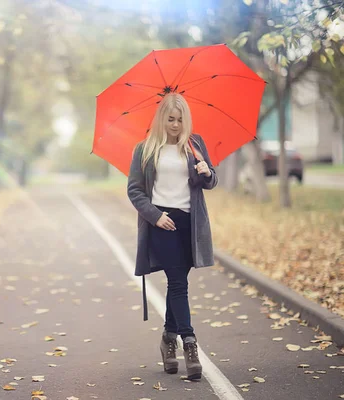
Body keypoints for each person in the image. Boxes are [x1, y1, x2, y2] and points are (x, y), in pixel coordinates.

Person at [127, 93, 218, 381]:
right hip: (161, 223)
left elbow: (211, 181)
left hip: (190, 224)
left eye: (180, 120)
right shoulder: (145, 149)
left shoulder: (195, 145)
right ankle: (189, 343)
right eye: (171, 119)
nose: (176, 125)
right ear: (161, 119)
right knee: (177, 282)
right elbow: (134, 190)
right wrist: (155, 216)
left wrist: (205, 172)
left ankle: (168, 338)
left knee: (179, 283)